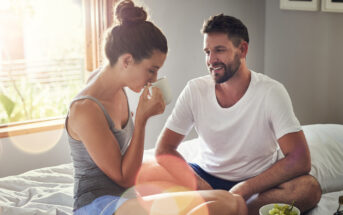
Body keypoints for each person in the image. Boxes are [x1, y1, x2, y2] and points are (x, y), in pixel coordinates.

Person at [65, 1, 247, 214]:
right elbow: (125, 178)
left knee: (233, 201)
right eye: (151, 70)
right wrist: (141, 121)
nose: (154, 79)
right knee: (227, 203)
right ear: (126, 61)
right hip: (99, 205)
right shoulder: (86, 109)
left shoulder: (110, 81)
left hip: (127, 198)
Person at [155, 14, 322, 215]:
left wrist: (245, 188)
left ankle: (227, 210)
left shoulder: (271, 92)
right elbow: (164, 150)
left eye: (219, 50)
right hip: (206, 179)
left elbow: (299, 159)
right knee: (154, 174)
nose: (211, 60)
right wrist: (207, 189)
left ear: (242, 49)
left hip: (256, 185)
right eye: (207, 52)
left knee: (309, 188)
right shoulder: (195, 90)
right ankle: (225, 207)